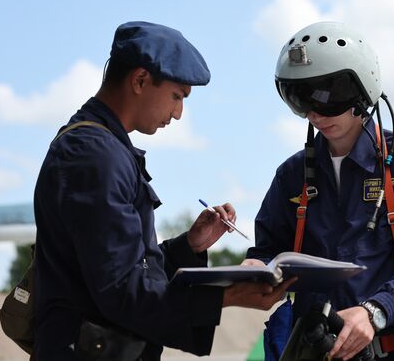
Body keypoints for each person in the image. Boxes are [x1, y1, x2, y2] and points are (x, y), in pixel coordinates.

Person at [33, 21, 292, 361]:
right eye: (177, 96)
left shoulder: (103, 147)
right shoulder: (95, 156)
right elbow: (121, 293)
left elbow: (125, 270)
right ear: (140, 80)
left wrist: (189, 246)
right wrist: (226, 296)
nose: (178, 113)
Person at [245, 21, 394, 360]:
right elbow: (269, 250)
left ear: (361, 92)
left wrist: (375, 311)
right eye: (301, 97)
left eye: (327, 96)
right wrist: (256, 266)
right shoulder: (291, 175)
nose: (315, 113)